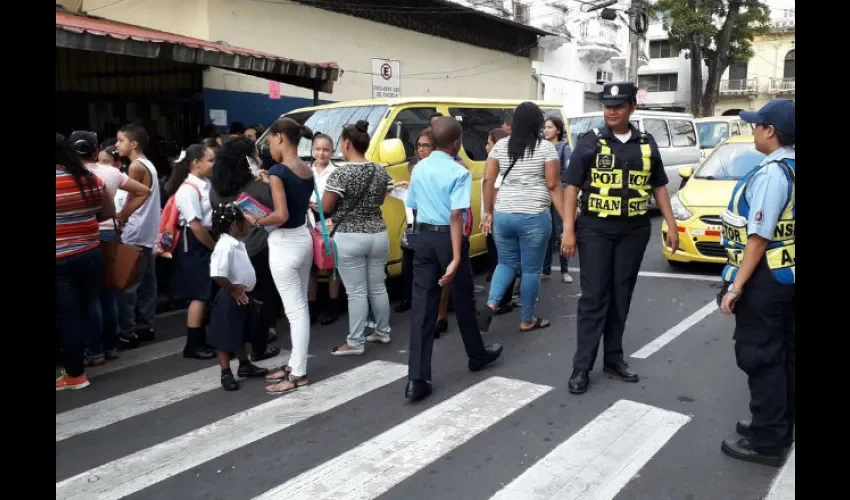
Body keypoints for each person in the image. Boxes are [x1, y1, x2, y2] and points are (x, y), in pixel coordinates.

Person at [561, 82, 680, 394]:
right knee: (593, 297)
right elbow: (571, 188)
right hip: (596, 229)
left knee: (621, 294)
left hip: (634, 230)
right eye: (607, 105)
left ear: (632, 108)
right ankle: (581, 366)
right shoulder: (590, 141)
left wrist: (672, 224)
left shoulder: (646, 142)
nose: (611, 110)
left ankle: (613, 358)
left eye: (619, 105)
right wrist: (568, 230)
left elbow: (658, 186)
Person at [717, 99, 795, 467]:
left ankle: (767, 442)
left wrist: (735, 288)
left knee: (761, 357)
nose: (752, 130)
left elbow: (758, 238)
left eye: (756, 125)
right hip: (788, 277)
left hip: (765, 280)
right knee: (785, 356)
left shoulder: (773, 173)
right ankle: (776, 425)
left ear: (770, 131)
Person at [404, 116, 503, 402]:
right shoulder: (459, 172)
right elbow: (456, 214)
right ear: (457, 142)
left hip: (421, 237)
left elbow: (412, 205)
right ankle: (476, 354)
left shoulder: (419, 168)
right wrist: (457, 255)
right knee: (463, 299)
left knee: (422, 307)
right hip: (448, 239)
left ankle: (417, 378)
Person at [479, 102, 566, 333]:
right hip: (534, 216)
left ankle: (491, 304)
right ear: (538, 123)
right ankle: (527, 319)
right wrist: (567, 220)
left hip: (504, 213)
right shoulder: (546, 148)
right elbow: (553, 185)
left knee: (505, 262)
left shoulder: (499, 146)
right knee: (530, 270)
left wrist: (488, 211)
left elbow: (488, 180)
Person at [71, 131, 151, 366]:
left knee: (91, 296)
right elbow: (143, 191)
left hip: (84, 234)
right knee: (108, 293)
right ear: (96, 151)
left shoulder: (72, 174)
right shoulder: (111, 172)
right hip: (109, 232)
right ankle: (111, 346)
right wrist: (122, 215)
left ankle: (94, 351)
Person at [248, 118, 315, 395]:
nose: (268, 148)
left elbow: (280, 215)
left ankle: (298, 373)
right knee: (300, 309)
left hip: (285, 244)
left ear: (278, 137)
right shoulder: (305, 169)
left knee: (295, 311)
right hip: (303, 238)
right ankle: (295, 365)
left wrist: (255, 219)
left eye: (269, 141)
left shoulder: (278, 170)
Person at [322, 121, 394, 356]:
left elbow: (326, 208)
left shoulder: (340, 173)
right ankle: (382, 331)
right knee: (377, 286)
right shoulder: (380, 170)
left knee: (356, 292)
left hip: (350, 236)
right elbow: (381, 200)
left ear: (346, 143)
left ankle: (355, 342)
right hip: (378, 233)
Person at [209, 136, 282, 361]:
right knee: (261, 300)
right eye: (256, 155)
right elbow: (277, 214)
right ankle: (259, 349)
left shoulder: (216, 187)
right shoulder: (258, 187)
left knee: (234, 300)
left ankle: (232, 346)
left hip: (228, 248)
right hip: (257, 248)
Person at [55, 133, 115, 390]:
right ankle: (94, 353)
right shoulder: (90, 178)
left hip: (60, 259)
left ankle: (75, 373)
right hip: (90, 252)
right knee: (87, 306)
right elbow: (108, 212)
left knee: (69, 317)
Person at [207, 202, 270, 391]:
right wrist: (233, 289)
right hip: (231, 296)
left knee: (240, 331)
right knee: (225, 335)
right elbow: (217, 273)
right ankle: (225, 372)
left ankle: (244, 365)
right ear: (234, 224)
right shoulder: (225, 246)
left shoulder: (236, 243)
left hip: (243, 295)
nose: (248, 224)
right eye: (244, 220)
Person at [164, 144, 218, 360]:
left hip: (205, 238)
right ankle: (193, 345)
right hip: (195, 242)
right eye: (210, 160)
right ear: (196, 163)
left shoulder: (205, 184)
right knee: (199, 294)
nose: (214, 164)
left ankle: (203, 339)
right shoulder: (187, 189)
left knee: (206, 292)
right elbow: (196, 225)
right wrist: (214, 247)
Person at [114, 124, 162, 349]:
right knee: (148, 284)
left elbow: (132, 199)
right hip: (147, 232)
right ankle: (146, 326)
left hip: (135, 232)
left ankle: (128, 332)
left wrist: (121, 217)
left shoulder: (135, 166)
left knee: (129, 286)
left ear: (134, 144)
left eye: (120, 140)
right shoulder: (149, 164)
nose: (116, 145)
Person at [308, 133, 342, 326]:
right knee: (311, 267)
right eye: (317, 149)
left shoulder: (337, 173)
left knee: (331, 266)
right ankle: (312, 308)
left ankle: (333, 306)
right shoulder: (306, 171)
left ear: (332, 151)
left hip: (330, 223)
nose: (321, 153)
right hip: (309, 223)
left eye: (325, 149)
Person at [541, 116, 573, 284]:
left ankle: (565, 270)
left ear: (558, 130)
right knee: (546, 234)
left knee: (561, 233)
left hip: (559, 195)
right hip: (544, 196)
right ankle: (546, 270)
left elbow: (568, 175)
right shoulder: (541, 148)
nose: (546, 130)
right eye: (545, 127)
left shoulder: (564, 149)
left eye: (550, 127)